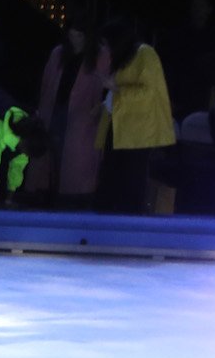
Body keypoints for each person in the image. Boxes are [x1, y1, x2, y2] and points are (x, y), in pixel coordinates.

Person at [96, 16, 176, 215]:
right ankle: (107, 220)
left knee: (132, 179)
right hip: (120, 125)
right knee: (111, 175)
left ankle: (128, 225)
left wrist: (116, 87)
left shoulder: (145, 53)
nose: (105, 49)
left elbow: (149, 91)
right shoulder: (124, 57)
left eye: (106, 44)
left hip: (138, 130)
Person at [30, 19, 111, 208]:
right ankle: (48, 195)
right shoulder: (59, 53)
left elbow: (103, 88)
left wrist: (96, 109)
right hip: (55, 111)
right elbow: (46, 84)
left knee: (76, 162)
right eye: (72, 34)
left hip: (83, 117)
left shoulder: (99, 56)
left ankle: (71, 200)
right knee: (50, 157)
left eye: (80, 35)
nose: (75, 39)